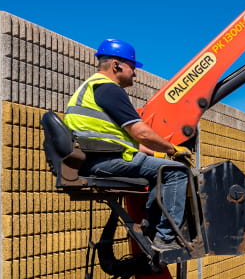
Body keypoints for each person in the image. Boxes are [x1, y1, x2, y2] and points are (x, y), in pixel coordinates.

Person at [63, 38, 192, 251]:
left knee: (161, 171)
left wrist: (156, 154)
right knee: (176, 172)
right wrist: (173, 150)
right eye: (132, 67)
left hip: (97, 157)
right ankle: (167, 237)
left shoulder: (92, 88)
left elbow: (119, 140)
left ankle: (151, 227)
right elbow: (140, 132)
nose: (135, 73)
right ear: (117, 65)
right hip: (103, 161)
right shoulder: (108, 89)